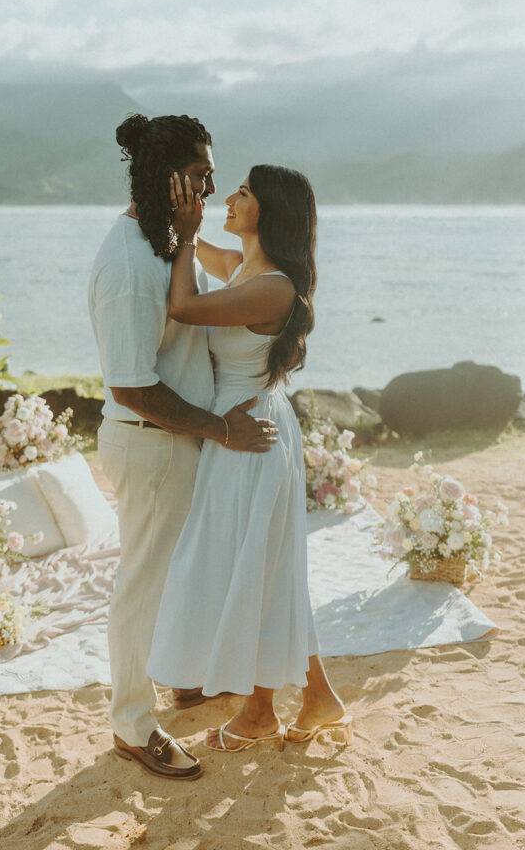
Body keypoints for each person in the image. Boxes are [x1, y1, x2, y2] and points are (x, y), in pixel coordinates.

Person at [88, 114, 279, 780]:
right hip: (152, 442)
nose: (211, 184)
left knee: (179, 574)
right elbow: (133, 386)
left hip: (177, 443)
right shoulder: (131, 262)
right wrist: (220, 427)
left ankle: (183, 681)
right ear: (165, 176)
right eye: (200, 173)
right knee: (142, 587)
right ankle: (133, 726)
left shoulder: (168, 243)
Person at [146, 164, 352, 752]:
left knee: (256, 565)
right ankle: (314, 699)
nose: (229, 199)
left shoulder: (274, 286)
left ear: (270, 211)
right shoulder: (244, 268)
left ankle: (266, 711)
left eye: (242, 193)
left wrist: (186, 235)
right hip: (242, 428)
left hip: (252, 434)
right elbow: (193, 251)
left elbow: (184, 306)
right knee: (263, 564)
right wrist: (169, 212)